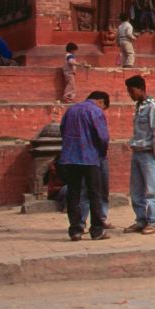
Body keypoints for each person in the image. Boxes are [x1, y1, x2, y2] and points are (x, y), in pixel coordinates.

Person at [59, 91, 112, 241]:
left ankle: (75, 230)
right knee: (94, 193)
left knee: (73, 193)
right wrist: (101, 153)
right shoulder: (95, 111)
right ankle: (97, 230)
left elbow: (62, 130)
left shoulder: (71, 110)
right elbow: (102, 136)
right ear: (101, 102)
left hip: (70, 157)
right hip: (90, 157)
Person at [123, 75, 155, 235]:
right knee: (137, 189)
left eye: (131, 91)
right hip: (137, 152)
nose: (130, 95)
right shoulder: (139, 107)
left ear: (141, 89)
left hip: (148, 153)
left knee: (153, 189)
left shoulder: (152, 107)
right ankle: (141, 220)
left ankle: (154, 221)